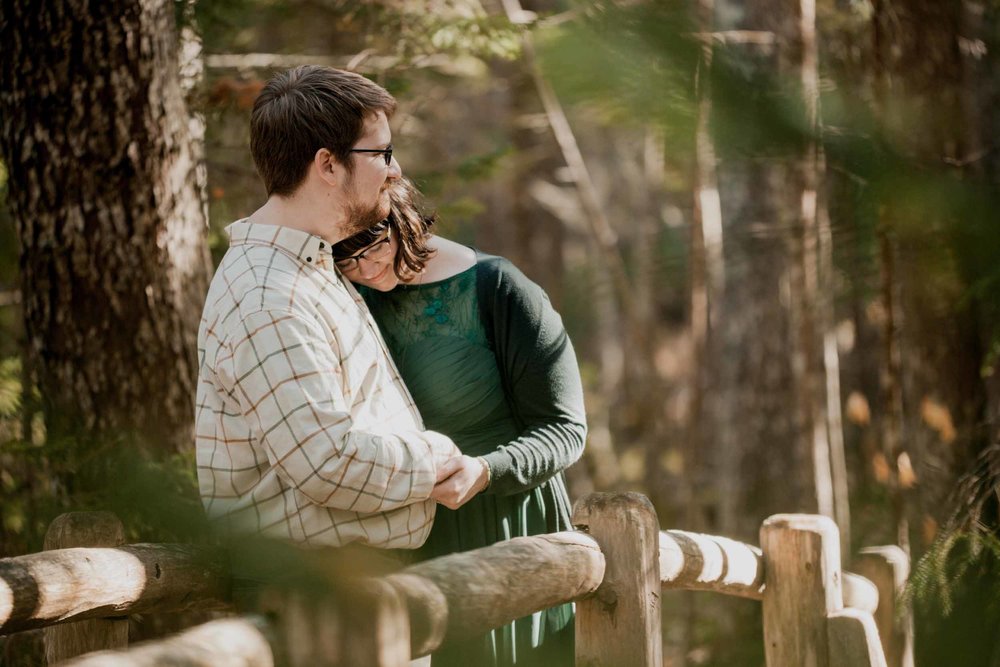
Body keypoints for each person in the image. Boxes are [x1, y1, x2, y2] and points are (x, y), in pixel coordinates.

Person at [195, 65, 469, 558]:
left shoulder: (310, 268)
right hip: (308, 591)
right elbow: (327, 463)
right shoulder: (268, 295)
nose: (396, 169)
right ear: (327, 165)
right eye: (381, 153)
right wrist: (435, 457)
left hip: (340, 585)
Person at [332, 178, 587, 666]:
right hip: (404, 531)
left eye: (374, 246)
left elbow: (565, 429)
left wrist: (486, 470)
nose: (365, 268)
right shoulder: (345, 296)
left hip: (507, 520)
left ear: (402, 218)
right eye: (347, 259)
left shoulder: (499, 286)